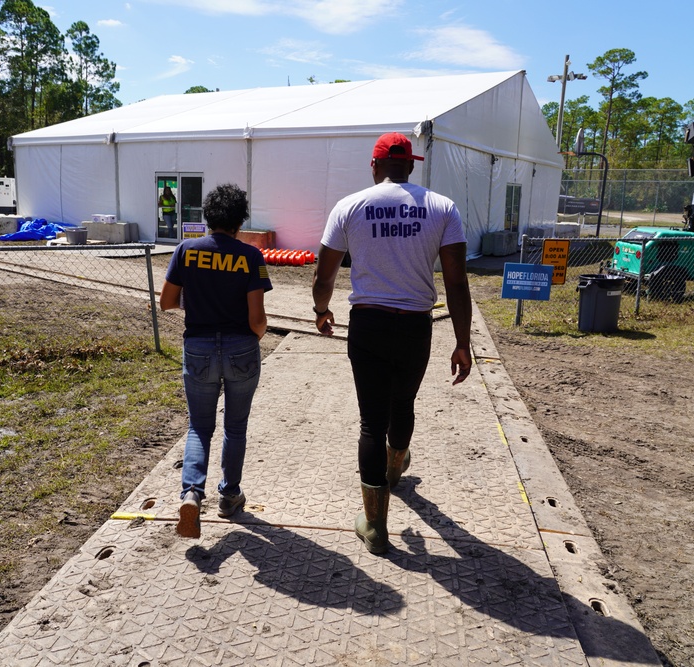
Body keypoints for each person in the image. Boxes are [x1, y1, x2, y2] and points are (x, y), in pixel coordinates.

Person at [311, 132, 473, 555]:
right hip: (416, 326)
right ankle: (394, 469)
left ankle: (375, 525)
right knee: (403, 406)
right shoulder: (441, 207)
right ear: (412, 166)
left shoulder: (350, 206)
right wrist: (462, 341)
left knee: (371, 422)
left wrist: (321, 310)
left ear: (374, 165)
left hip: (368, 325)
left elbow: (324, 273)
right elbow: (456, 280)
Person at [160, 183, 272, 538]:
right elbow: (258, 319)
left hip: (198, 348)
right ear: (241, 219)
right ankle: (229, 497)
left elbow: (166, 301)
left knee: (199, 427)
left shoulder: (185, 250)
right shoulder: (251, 256)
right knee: (235, 427)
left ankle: (192, 493)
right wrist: (252, 339)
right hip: (241, 347)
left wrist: (199, 308)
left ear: (207, 217)